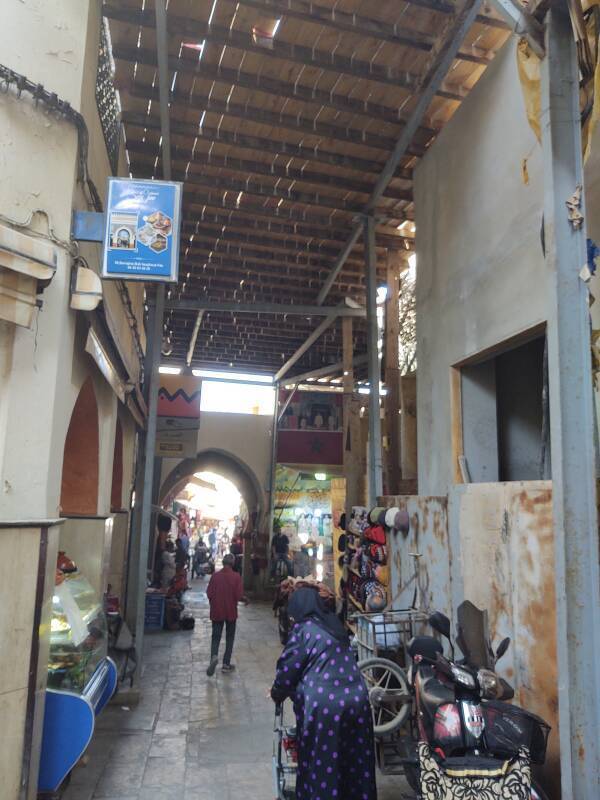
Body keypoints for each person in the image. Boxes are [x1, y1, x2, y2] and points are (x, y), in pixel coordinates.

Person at [270, 586, 377, 800]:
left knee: (323, 760)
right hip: (357, 699)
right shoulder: (334, 625)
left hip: (326, 707)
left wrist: (277, 692)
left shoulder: (304, 630)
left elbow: (288, 669)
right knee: (354, 759)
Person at [206, 553, 248, 675]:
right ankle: (226, 664)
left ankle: (213, 656)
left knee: (215, 636)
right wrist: (245, 599)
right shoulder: (236, 577)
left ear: (223, 563)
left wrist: (214, 603)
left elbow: (209, 593)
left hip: (217, 610)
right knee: (229, 637)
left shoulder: (215, 576)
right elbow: (239, 596)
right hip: (230, 611)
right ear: (233, 564)